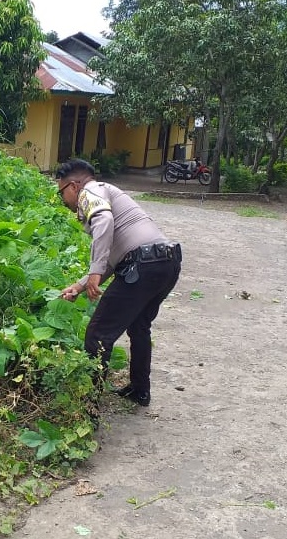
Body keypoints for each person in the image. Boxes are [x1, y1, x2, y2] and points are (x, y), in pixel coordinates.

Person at [56, 158, 181, 407]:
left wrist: (94, 271)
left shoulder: (90, 190)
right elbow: (117, 258)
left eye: (61, 193)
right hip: (166, 262)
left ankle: (88, 408)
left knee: (97, 334)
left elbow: (104, 222)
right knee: (138, 326)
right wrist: (81, 285)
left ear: (72, 186)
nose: (63, 200)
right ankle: (140, 390)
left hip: (143, 264)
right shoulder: (107, 194)